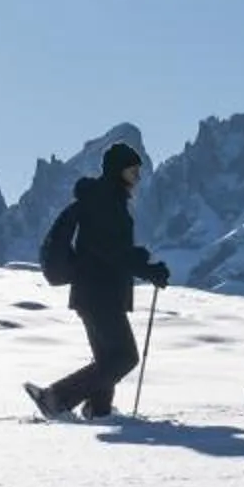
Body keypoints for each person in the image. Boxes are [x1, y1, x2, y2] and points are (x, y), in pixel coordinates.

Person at [28, 139, 170, 419]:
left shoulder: (107, 199)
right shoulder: (106, 202)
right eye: (133, 171)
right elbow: (110, 251)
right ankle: (55, 397)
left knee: (108, 359)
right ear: (118, 170)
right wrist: (147, 269)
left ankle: (99, 411)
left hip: (96, 291)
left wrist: (141, 261)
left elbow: (108, 249)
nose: (138, 177)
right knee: (124, 357)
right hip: (99, 292)